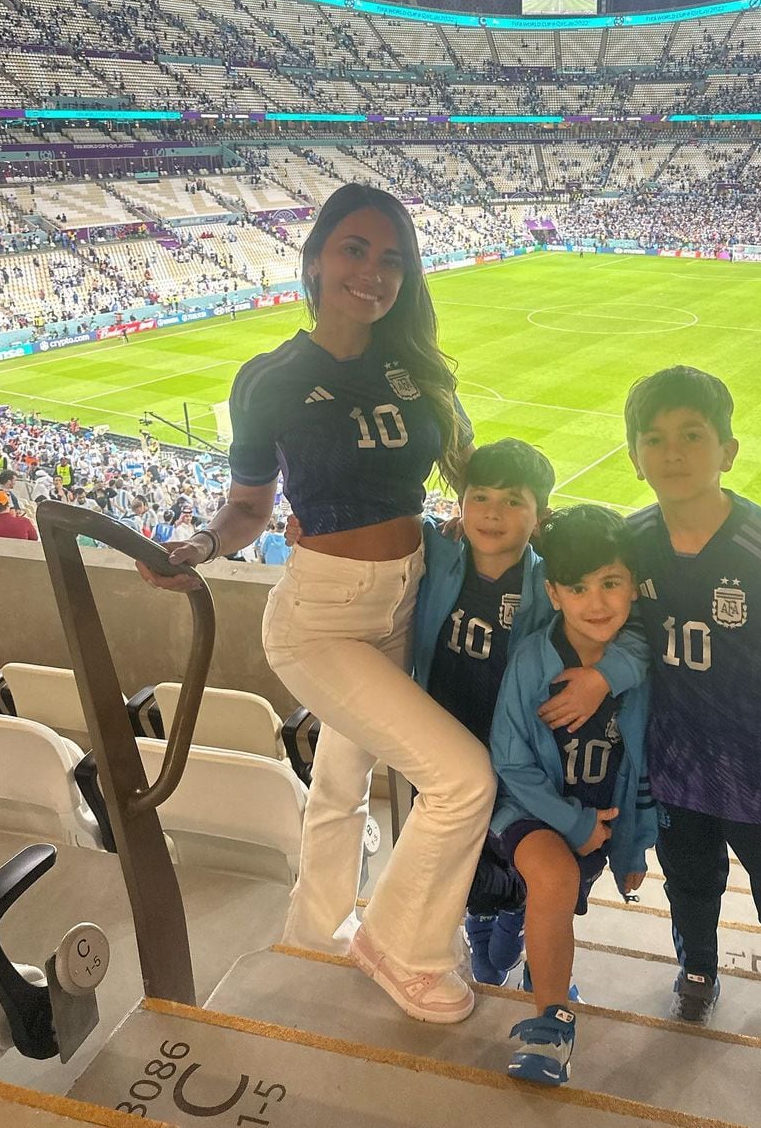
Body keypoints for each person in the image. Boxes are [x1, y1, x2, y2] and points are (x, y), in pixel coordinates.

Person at [137, 184, 496, 1025]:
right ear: (315, 260)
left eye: (391, 259)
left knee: (343, 784)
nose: (372, 273)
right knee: (460, 779)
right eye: (355, 251)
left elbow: (470, 472)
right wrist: (199, 546)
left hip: (407, 598)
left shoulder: (420, 371)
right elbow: (250, 508)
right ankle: (401, 944)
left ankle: (309, 936)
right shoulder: (269, 379)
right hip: (321, 615)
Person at [623, 368, 761, 1052]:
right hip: (676, 770)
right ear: (634, 456)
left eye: (693, 435)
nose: (674, 453)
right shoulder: (628, 544)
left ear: (728, 450)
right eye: (655, 439)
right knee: (689, 883)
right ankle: (697, 970)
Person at [413, 439, 647, 987]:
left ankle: (525, 928)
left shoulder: (550, 582)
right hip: (450, 741)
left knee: (533, 862)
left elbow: (633, 636)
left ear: (538, 515)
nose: (492, 513)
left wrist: (604, 677)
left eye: (512, 501)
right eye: (481, 498)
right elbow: (386, 526)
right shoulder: (440, 552)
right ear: (461, 504)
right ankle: (482, 921)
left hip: (521, 750)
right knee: (468, 856)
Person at [490, 505, 654, 1084]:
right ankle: (551, 1027)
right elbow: (509, 759)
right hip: (530, 811)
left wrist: (630, 851)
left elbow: (640, 770)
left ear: (634, 585)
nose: (598, 602)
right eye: (579, 587)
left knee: (555, 903)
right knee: (553, 881)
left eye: (611, 583)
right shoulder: (533, 659)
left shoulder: (635, 665)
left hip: (599, 825)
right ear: (554, 594)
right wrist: (570, 819)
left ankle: (532, 964)